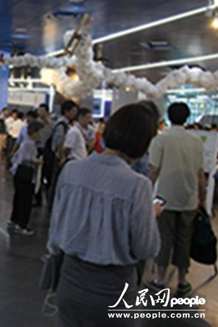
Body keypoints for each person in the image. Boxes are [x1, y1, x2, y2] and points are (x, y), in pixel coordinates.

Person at [47, 103, 162, 326]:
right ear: (143, 143)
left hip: (69, 281)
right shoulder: (137, 185)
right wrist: (152, 216)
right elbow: (145, 248)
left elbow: (56, 228)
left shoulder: (71, 170)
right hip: (113, 290)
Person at [148, 102, 206, 296]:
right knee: (184, 239)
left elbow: (154, 170)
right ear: (187, 117)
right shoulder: (196, 142)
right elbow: (200, 174)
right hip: (189, 198)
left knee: (164, 238)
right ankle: (182, 280)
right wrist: (202, 198)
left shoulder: (160, 140)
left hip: (164, 198)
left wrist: (146, 192)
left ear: (169, 116)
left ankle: (159, 279)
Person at [8, 121, 44, 235]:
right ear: (35, 132)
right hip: (25, 174)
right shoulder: (30, 144)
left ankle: (14, 220)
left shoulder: (26, 142)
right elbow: (26, 159)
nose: (41, 134)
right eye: (40, 132)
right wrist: (38, 161)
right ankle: (22, 224)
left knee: (19, 198)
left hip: (18, 173)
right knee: (25, 200)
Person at [47, 100, 78, 213]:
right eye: (73, 111)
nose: (75, 113)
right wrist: (61, 157)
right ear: (66, 111)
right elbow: (59, 143)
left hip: (62, 157)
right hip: (59, 158)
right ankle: (52, 207)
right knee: (56, 183)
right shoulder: (61, 125)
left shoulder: (66, 124)